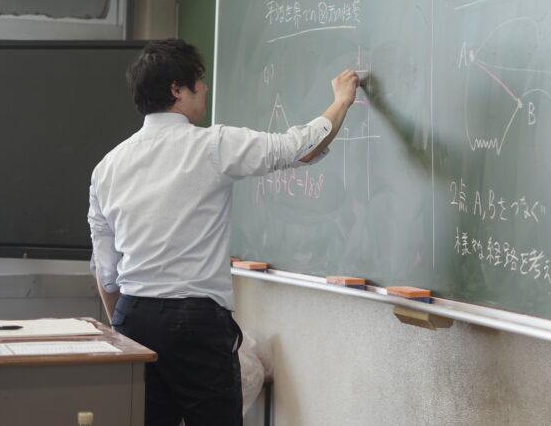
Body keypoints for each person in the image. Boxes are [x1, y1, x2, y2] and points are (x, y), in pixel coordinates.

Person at [88, 38, 359, 426]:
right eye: (198, 80)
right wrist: (341, 101)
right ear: (176, 89)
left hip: (133, 316)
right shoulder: (212, 145)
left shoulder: (107, 166)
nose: (205, 87)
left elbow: (106, 270)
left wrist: (123, 327)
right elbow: (298, 147)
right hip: (194, 321)